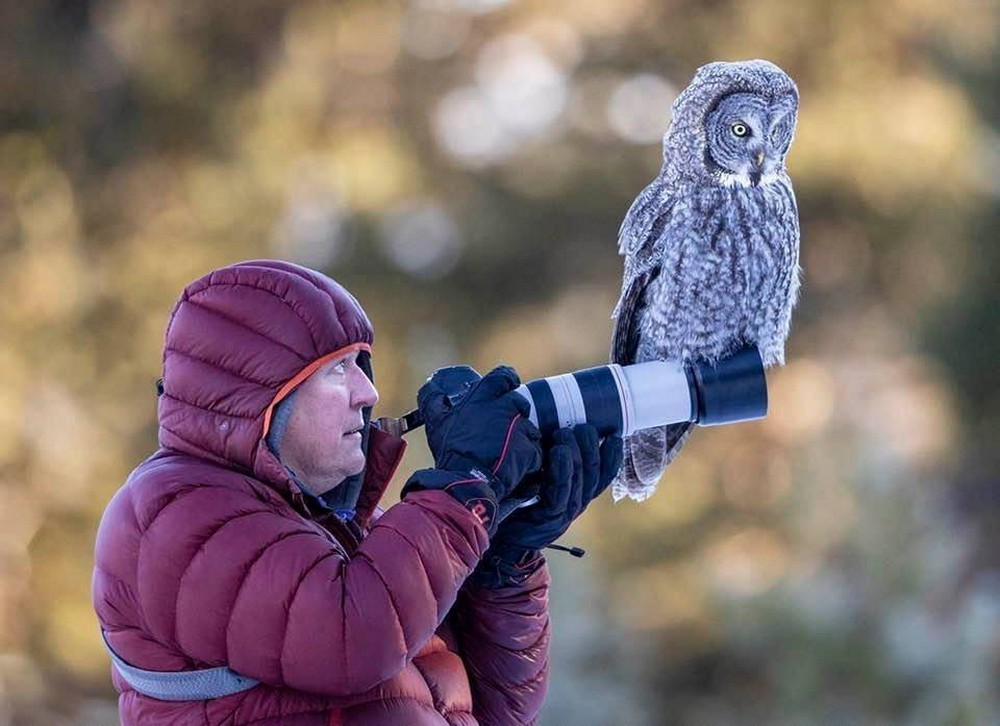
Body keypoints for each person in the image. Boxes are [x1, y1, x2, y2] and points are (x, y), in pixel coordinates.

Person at [92, 260, 622, 726]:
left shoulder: (341, 539)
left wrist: (502, 561)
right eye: (336, 369)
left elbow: (494, 712)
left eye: (361, 365)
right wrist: (464, 488)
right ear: (257, 397)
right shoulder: (173, 515)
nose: (367, 393)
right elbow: (351, 638)